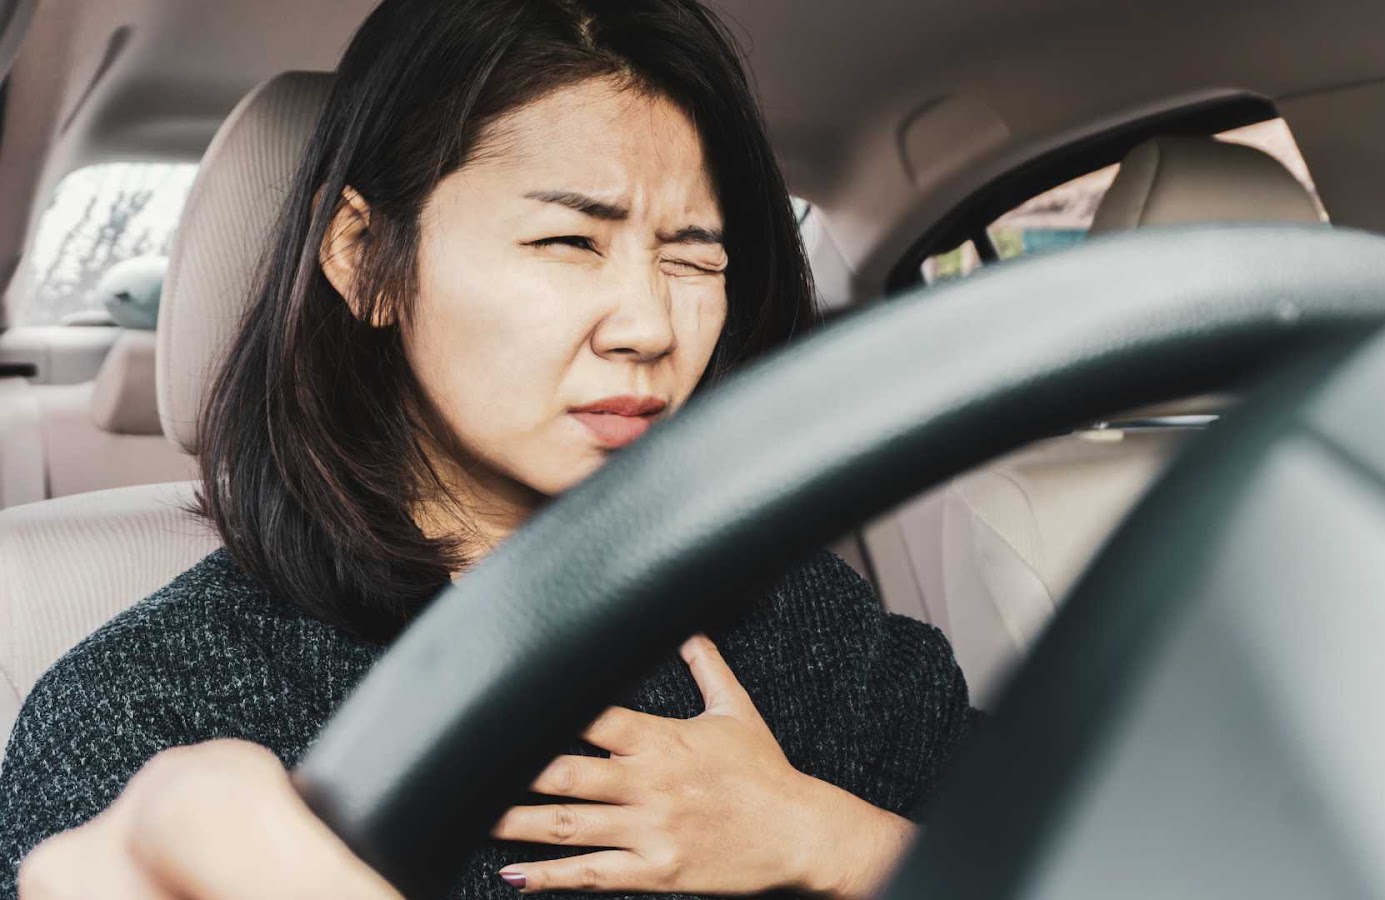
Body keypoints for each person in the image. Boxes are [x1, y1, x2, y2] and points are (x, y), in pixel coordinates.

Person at [0, 1, 980, 897]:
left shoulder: (807, 621)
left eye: (692, 256)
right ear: (363, 257)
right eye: (568, 242)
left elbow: (1084, 845)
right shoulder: (155, 707)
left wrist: (833, 843)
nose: (648, 324)